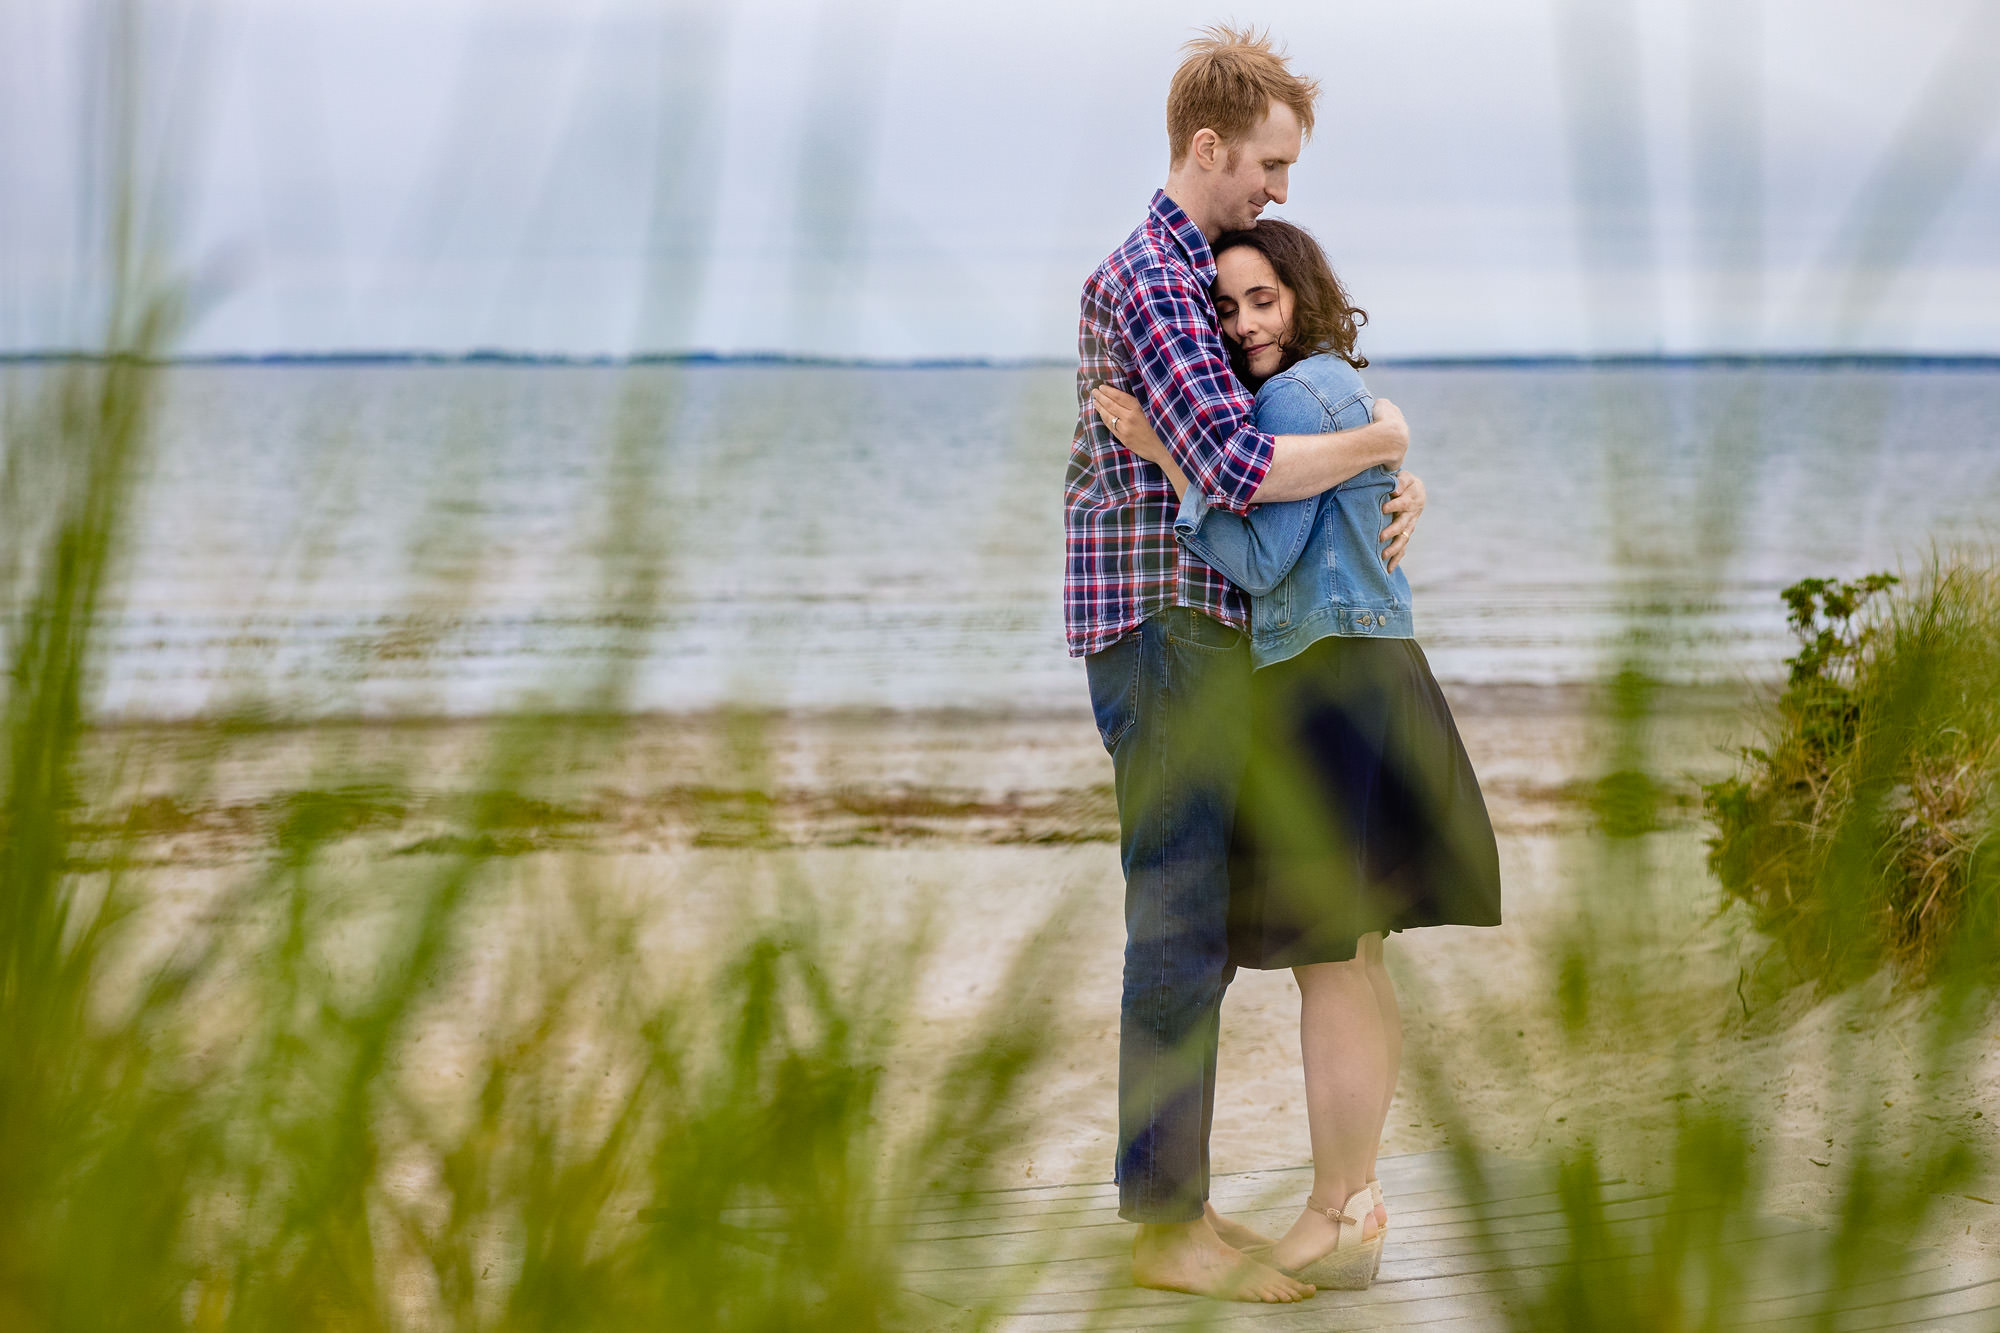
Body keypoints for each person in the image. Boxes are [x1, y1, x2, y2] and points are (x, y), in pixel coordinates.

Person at [1063, 25, 1429, 1304]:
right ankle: (1165, 1230)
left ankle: (1180, 1209)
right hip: (1163, 634)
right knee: (1174, 924)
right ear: (1206, 146)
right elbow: (1233, 471)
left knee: (1192, 931)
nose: (1278, 191)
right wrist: (1381, 435)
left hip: (1196, 633)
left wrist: (1392, 467)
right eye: (1267, 164)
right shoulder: (1156, 281)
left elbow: (1277, 449)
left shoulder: (1189, 275)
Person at [1091, 219, 1503, 1291]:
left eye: (1261, 298)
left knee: (1333, 960)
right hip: (1370, 675)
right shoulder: (1339, 392)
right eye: (1224, 308)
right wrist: (1389, 451)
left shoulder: (1288, 400)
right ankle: (1351, 1200)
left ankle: (1337, 1209)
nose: (1240, 324)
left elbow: (1265, 555)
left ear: (1303, 294)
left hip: (1327, 683)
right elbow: (1347, 494)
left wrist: (1165, 456)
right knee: (1357, 958)